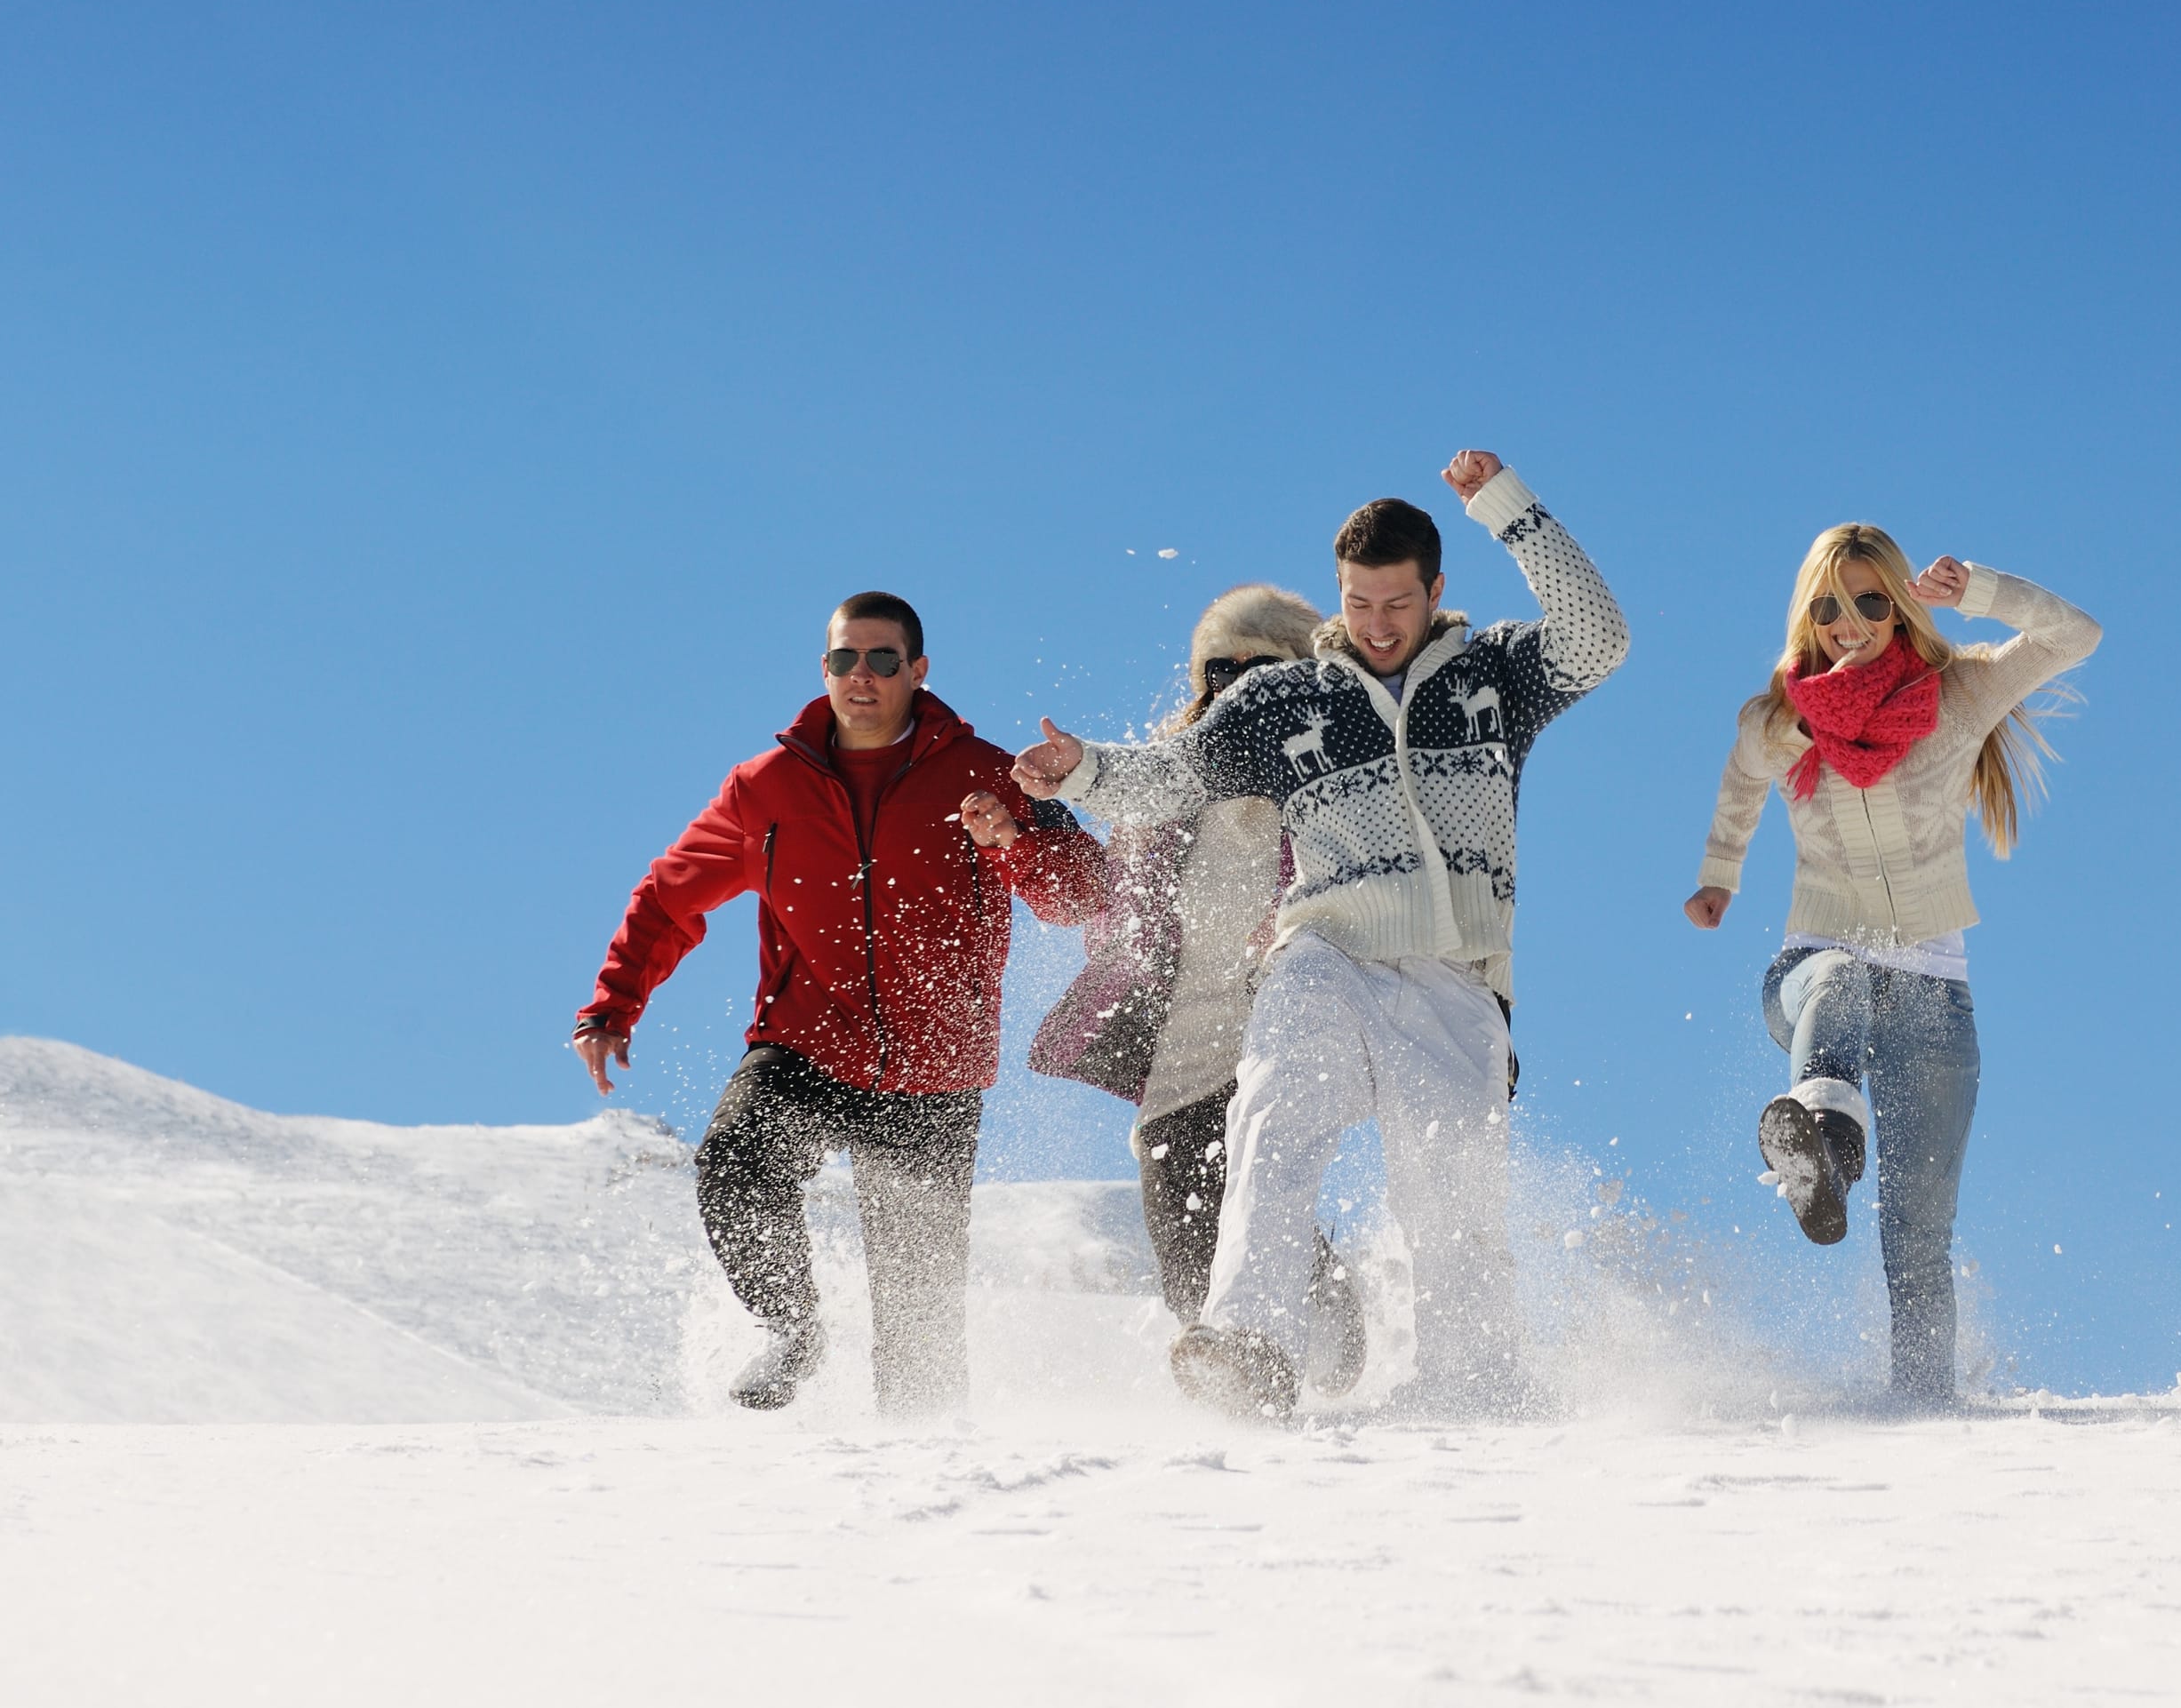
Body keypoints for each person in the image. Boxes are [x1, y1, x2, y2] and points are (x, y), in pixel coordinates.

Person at [1016, 452, 1626, 1420]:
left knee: (1452, 1200)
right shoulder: (1288, 699)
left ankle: (1471, 1387)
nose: (1377, 625)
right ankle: (1250, 1340)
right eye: (1358, 602)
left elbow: (1599, 638)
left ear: (1435, 591)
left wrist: (1508, 510)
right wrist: (1083, 771)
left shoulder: (1495, 675)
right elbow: (1175, 774)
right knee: (1272, 1121)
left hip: (1455, 978)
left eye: (1397, 603)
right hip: (1324, 956)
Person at [573, 593, 1105, 1416]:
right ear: (823, 670)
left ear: (918, 671)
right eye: (845, 659)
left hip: (935, 1073)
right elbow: (669, 895)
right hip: (807, 1045)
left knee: (919, 1337)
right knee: (736, 1160)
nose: (863, 675)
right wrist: (612, 1007)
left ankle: (927, 1475)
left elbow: (1084, 893)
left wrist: (1013, 840)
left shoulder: (988, 774)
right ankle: (791, 1327)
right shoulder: (766, 788)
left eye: (883, 659)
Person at [1682, 527, 2095, 1407]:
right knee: (1841, 977)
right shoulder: (1779, 722)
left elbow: (2074, 636)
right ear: (1808, 614)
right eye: (1829, 604)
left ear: (1901, 605)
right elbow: (1740, 786)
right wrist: (1719, 876)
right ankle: (1824, 1141)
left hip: (1934, 997)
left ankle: (1924, 1408)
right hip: (1813, 969)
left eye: (1870, 599)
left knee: (1919, 1236)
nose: (1849, 621)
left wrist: (1979, 589)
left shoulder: (1959, 696)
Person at [1028, 582, 1367, 1393]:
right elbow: (1100, 900)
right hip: (1183, 1039)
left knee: (1255, 1185)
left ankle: (1313, 1333)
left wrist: (1301, 915)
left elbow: (1372, 882)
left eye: (1262, 669)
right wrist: (1025, 839)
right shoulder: (1168, 779)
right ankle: (1235, 1375)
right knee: (1178, 1214)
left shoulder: (1331, 783)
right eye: (1221, 670)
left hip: (1278, 1021)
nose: (1238, 688)